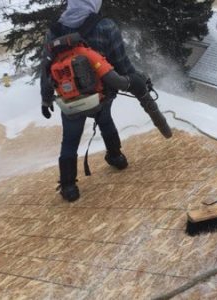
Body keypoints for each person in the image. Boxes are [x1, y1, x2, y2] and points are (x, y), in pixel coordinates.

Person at [40, 0, 171, 202]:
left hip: (70, 100)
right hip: (101, 94)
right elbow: (123, 66)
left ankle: (68, 186)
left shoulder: (54, 31)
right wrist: (138, 81)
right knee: (105, 120)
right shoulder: (106, 26)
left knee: (70, 140)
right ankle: (115, 156)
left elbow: (46, 70)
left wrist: (46, 99)